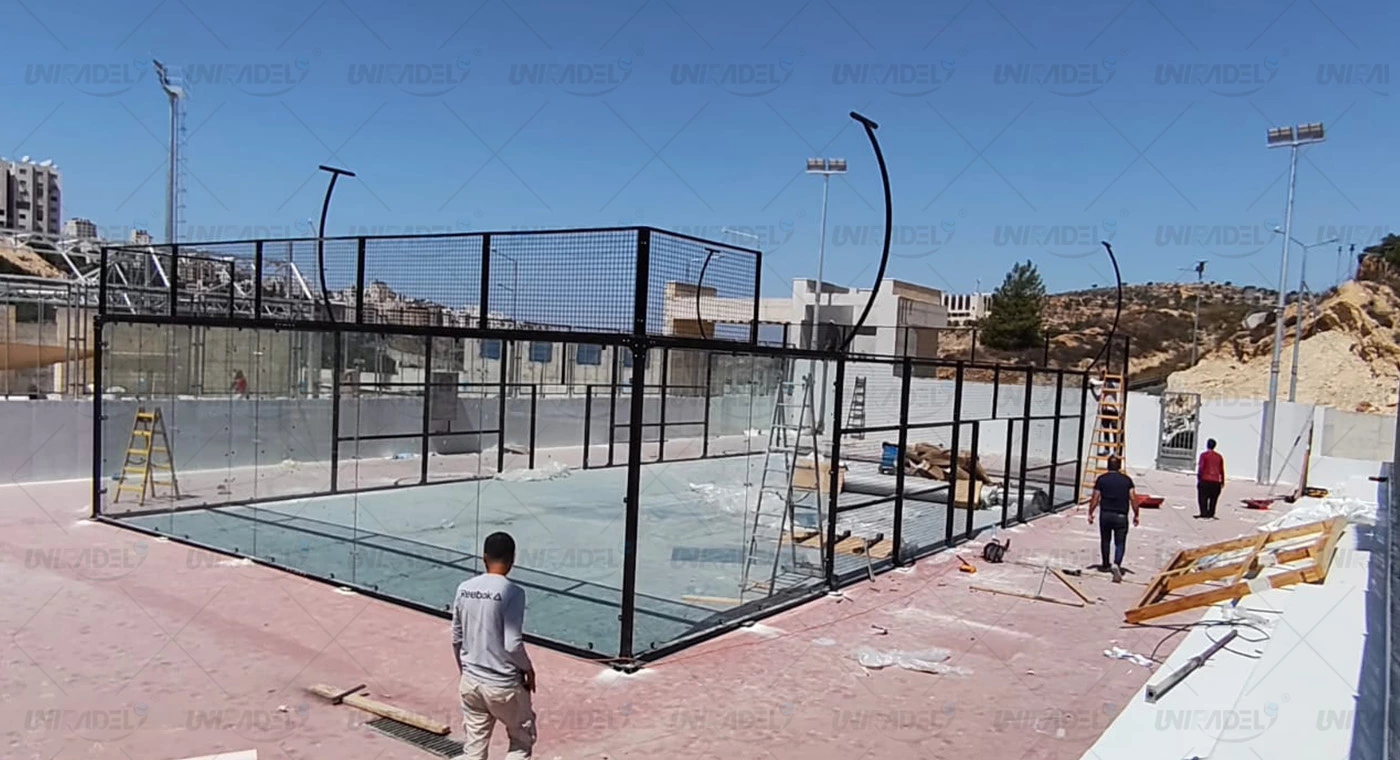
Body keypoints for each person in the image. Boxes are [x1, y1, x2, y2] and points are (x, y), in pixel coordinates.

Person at [452, 532, 536, 760]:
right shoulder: (513, 592)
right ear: (512, 559)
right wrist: (528, 668)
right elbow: (512, 644)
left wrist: (465, 671)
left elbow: (456, 639)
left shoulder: (464, 588)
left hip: (471, 683)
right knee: (520, 742)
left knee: (474, 747)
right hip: (503, 686)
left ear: (484, 557)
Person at [1087, 455, 1140, 583]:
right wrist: (1136, 514)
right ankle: (1116, 563)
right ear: (1120, 466)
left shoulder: (1101, 479)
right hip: (1121, 515)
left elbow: (1095, 497)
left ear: (1108, 465)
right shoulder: (1127, 480)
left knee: (1105, 540)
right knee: (1120, 542)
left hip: (1105, 514)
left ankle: (1105, 564)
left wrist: (1090, 512)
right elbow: (1133, 498)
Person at [1196, 439, 1225, 520]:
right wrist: (1222, 481)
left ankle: (1204, 513)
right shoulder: (1219, 457)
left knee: (1202, 498)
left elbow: (1201, 467)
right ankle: (1211, 513)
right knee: (1213, 499)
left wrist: (1199, 478)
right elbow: (1221, 470)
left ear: (1207, 445)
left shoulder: (1204, 455)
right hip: (1216, 481)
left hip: (1205, 479)